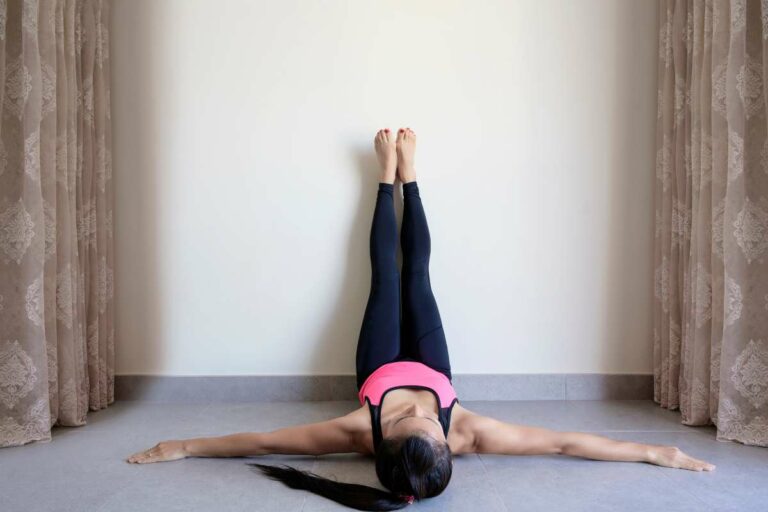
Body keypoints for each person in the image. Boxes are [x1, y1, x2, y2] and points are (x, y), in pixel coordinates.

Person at [127, 128, 715, 511]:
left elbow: (258, 440)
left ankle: (386, 177)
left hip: (379, 363)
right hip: (433, 363)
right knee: (420, 276)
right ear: (449, 442)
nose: (412, 409)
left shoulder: (359, 430)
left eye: (403, 419)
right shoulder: (467, 431)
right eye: (422, 421)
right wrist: (653, 453)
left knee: (387, 276)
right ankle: (413, 174)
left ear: (381, 440)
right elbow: (562, 444)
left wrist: (182, 445)